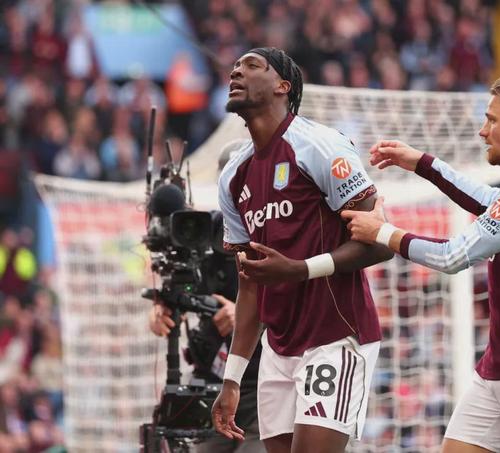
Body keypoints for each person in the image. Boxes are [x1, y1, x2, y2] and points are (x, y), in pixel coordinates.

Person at [341, 75, 500, 452]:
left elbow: (453, 256)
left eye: (492, 120)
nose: (482, 131)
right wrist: (421, 163)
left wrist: (382, 232)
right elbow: (484, 200)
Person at [212, 47, 393, 453]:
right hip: (278, 349)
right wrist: (232, 378)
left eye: (251, 66)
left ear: (283, 86)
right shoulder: (232, 176)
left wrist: (299, 269)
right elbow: (250, 285)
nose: (236, 72)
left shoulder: (320, 145)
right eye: (235, 67)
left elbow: (381, 242)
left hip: (336, 336)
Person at [149, 210, 265, 453]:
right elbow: (177, 292)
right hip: (212, 386)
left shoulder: (270, 232)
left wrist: (247, 316)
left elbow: (297, 302)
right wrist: (161, 310)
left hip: (261, 386)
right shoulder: (201, 234)